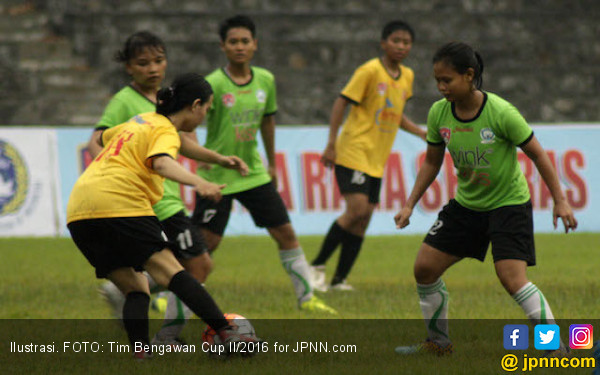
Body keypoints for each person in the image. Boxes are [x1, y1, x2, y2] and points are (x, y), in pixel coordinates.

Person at [393, 42, 577, 355]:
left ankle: (557, 351)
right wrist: (410, 203)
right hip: (466, 206)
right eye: (437, 80)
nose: (440, 87)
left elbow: (538, 155)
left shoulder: (502, 112)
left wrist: (560, 199)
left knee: (512, 279)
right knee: (424, 269)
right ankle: (438, 344)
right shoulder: (439, 113)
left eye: (446, 80)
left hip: (508, 206)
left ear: (469, 75)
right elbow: (432, 162)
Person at [68, 73, 256, 358]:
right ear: (195, 106)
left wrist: (218, 159)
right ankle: (227, 332)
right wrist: (199, 182)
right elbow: (162, 162)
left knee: (137, 288)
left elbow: (102, 137)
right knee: (174, 270)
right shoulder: (165, 131)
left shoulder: (142, 121)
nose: (205, 115)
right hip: (120, 202)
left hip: (80, 210)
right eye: (206, 108)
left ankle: (141, 353)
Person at [190, 15, 336, 314]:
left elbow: (268, 122)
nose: (240, 47)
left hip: (253, 172)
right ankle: (165, 290)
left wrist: (271, 164)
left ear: (255, 45)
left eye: (245, 41)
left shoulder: (265, 80)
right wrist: (200, 157)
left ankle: (306, 299)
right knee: (205, 246)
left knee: (286, 233)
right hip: (218, 174)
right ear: (223, 46)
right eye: (233, 42)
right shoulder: (213, 84)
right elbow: (190, 123)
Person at [310, 20, 426, 292]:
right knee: (357, 210)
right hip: (353, 150)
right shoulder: (369, 70)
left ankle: (339, 280)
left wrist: (420, 133)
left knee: (364, 219)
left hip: (376, 159)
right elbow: (341, 102)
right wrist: (331, 143)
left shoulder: (407, 76)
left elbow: (394, 115)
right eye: (395, 40)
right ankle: (315, 266)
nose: (400, 46)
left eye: (406, 42)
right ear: (384, 43)